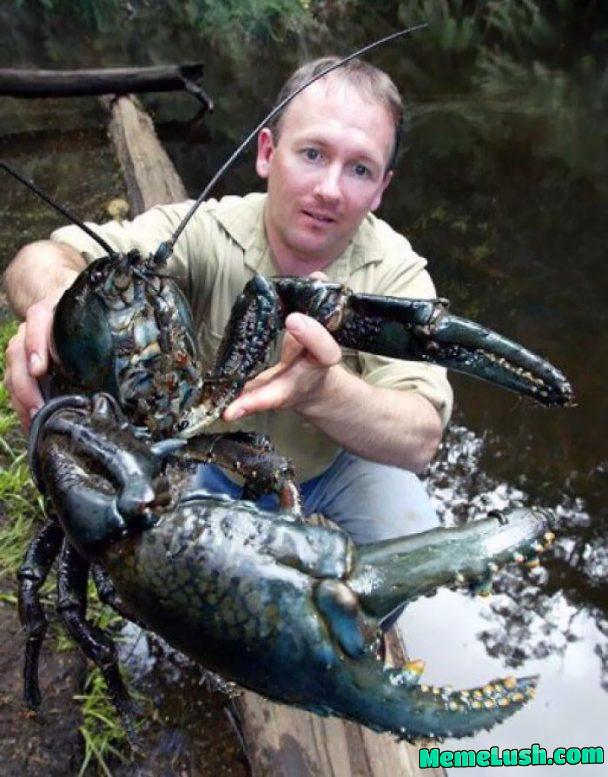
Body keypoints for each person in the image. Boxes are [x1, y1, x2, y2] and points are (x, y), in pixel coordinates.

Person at [3, 57, 452, 547]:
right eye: (313, 154)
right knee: (166, 585)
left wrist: (322, 392)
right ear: (267, 152)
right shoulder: (203, 232)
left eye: (360, 168)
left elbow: (420, 436)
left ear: (381, 188)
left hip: (336, 464)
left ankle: (359, 620)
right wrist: (57, 299)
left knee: (411, 534)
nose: (329, 190)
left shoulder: (396, 271)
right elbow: (39, 257)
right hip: (207, 456)